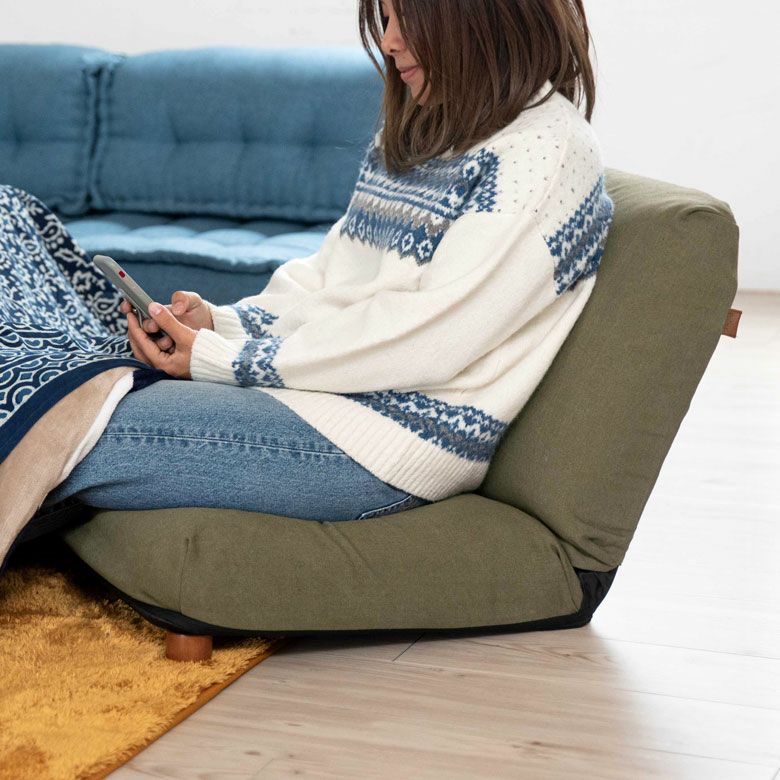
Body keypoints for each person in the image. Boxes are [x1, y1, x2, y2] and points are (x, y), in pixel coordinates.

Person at [38, 0, 615, 522]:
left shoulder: (543, 151)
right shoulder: (427, 125)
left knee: (61, 429)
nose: (388, 41)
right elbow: (329, 277)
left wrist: (225, 360)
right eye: (384, 18)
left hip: (391, 441)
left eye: (407, 17)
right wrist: (224, 324)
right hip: (322, 401)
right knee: (64, 386)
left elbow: (430, 337)